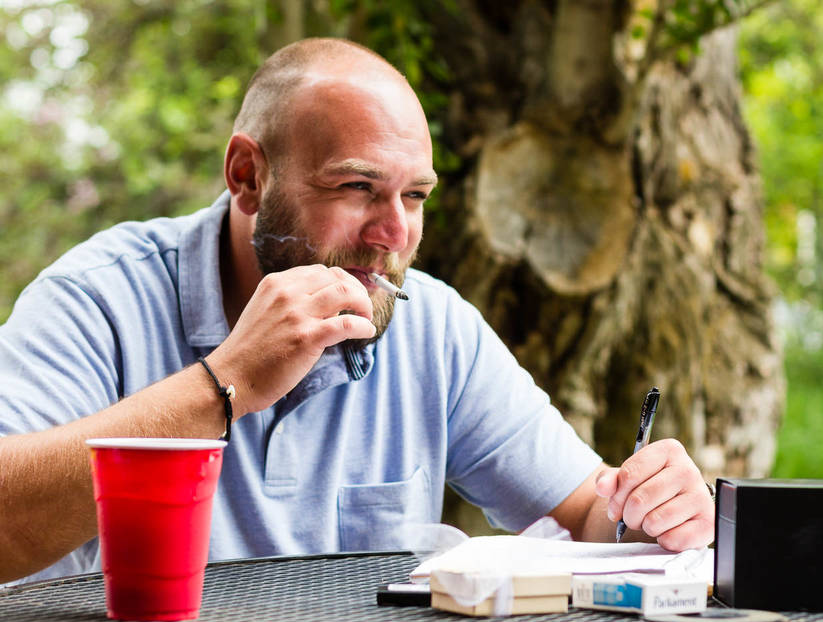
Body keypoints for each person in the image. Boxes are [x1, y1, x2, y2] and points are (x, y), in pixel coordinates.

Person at [0, 38, 714, 586]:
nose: (395, 232)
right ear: (248, 176)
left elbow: (588, 512)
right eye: (357, 187)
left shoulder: (433, 327)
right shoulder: (102, 298)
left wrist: (647, 509)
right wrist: (226, 383)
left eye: (414, 197)